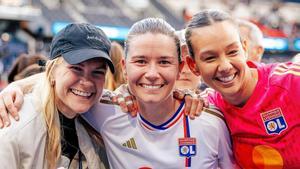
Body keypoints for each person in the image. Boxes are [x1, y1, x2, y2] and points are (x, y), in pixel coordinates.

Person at [0, 18, 235, 168]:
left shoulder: (209, 123)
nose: (152, 73)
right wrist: (15, 88)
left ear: (180, 67)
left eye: (164, 62)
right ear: (124, 67)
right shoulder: (106, 110)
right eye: (141, 61)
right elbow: (64, 89)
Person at [185, 9, 300, 168]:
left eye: (232, 52)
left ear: (244, 49)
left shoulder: (292, 82)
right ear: (193, 66)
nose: (225, 66)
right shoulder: (207, 106)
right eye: (210, 57)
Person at [0, 23, 112, 169]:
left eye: (97, 72)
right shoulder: (14, 126)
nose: (86, 82)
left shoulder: (97, 117)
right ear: (52, 70)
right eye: (76, 68)